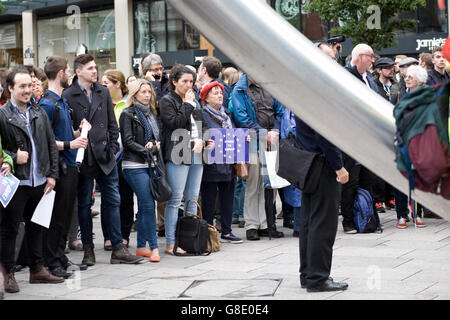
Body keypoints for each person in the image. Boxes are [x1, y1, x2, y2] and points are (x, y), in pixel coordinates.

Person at [63, 54, 143, 266]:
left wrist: (113, 147)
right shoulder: (68, 95)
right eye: (89, 68)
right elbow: (67, 129)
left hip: (106, 156)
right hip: (85, 157)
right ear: (78, 71)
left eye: (95, 67)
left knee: (113, 201)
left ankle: (118, 248)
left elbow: (111, 123)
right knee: (85, 205)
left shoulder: (102, 91)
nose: (94, 71)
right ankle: (88, 249)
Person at [0, 66, 63, 294]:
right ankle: (8, 274)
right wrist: (15, 157)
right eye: (22, 86)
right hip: (17, 183)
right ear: (10, 89)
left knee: (38, 227)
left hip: (40, 181)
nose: (28, 90)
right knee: (10, 230)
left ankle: (37, 269)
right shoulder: (3, 115)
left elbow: (50, 145)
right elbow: (1, 149)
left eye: (29, 86)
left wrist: (53, 175)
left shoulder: (39, 113)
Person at [296, 42, 349, 293]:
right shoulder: (319, 87)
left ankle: (309, 274)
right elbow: (325, 134)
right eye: (329, 57)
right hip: (321, 162)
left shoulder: (306, 84)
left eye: (334, 58)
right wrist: (338, 166)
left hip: (309, 162)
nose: (334, 61)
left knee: (309, 221)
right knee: (322, 223)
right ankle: (317, 278)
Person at [39, 56, 90, 279]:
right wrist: (71, 143)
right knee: (56, 217)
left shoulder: (60, 102)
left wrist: (78, 133)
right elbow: (45, 140)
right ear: (61, 73)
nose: (69, 74)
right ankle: (52, 262)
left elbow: (61, 135)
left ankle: (59, 257)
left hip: (69, 166)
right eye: (68, 71)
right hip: (58, 168)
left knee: (65, 215)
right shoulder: (47, 104)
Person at [159, 65, 211, 255]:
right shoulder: (167, 101)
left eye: (191, 81)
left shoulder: (194, 101)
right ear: (174, 82)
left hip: (197, 152)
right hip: (178, 153)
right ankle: (171, 243)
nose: (189, 85)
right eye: (184, 82)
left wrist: (204, 140)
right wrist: (188, 104)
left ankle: (189, 239)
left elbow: (203, 125)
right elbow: (174, 123)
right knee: (175, 198)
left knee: (192, 198)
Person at [230, 73, 285, 241]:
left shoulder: (270, 86)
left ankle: (265, 223)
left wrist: (275, 130)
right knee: (254, 182)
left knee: (271, 183)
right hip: (252, 139)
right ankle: (252, 224)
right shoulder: (239, 90)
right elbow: (241, 118)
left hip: (272, 138)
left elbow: (279, 111)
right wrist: (264, 134)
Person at [120, 79, 162, 262]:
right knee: (147, 204)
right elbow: (128, 142)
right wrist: (147, 149)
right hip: (133, 165)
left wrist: (154, 144)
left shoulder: (152, 114)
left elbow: (155, 137)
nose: (147, 95)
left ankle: (140, 246)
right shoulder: (127, 114)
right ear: (135, 93)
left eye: (149, 92)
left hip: (151, 163)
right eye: (143, 92)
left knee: (147, 205)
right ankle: (154, 248)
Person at [341, 44, 381, 234]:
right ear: (359, 56)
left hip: (368, 140)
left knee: (367, 180)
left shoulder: (369, 79)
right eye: (370, 56)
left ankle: (368, 217)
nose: (373, 60)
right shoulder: (345, 76)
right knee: (351, 181)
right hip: (351, 139)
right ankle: (348, 221)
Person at [199, 81, 243, 244]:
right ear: (205, 98)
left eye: (221, 92)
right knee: (209, 201)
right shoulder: (202, 114)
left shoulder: (227, 114)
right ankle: (209, 232)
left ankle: (226, 231)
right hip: (210, 164)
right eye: (215, 92)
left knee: (227, 199)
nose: (219, 95)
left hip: (228, 163)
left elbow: (234, 133)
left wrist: (241, 139)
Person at [101, 69, 135, 250]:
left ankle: (124, 235)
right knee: (108, 197)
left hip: (126, 156)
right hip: (107, 156)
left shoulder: (129, 103)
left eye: (106, 83)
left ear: (117, 84)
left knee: (126, 196)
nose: (102, 86)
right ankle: (108, 235)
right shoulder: (100, 102)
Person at [394, 65, 429, 229]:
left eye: (410, 77)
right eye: (406, 76)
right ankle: (401, 215)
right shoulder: (398, 95)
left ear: (420, 81)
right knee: (401, 178)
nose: (406, 79)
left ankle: (417, 214)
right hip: (402, 142)